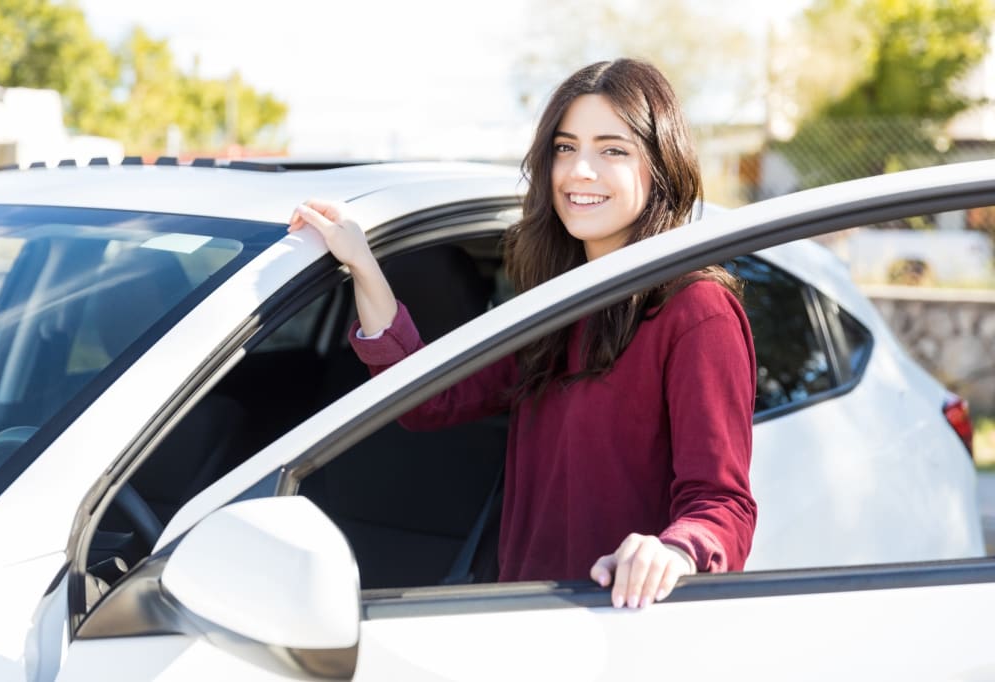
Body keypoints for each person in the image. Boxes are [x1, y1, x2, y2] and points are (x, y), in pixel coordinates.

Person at [288, 58, 757, 609]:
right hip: (518, 611)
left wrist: (673, 552)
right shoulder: (556, 304)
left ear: (659, 164)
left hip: (617, 622)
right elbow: (428, 401)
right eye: (565, 147)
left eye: (612, 149)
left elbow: (723, 505)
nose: (580, 171)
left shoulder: (697, 310)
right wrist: (363, 264)